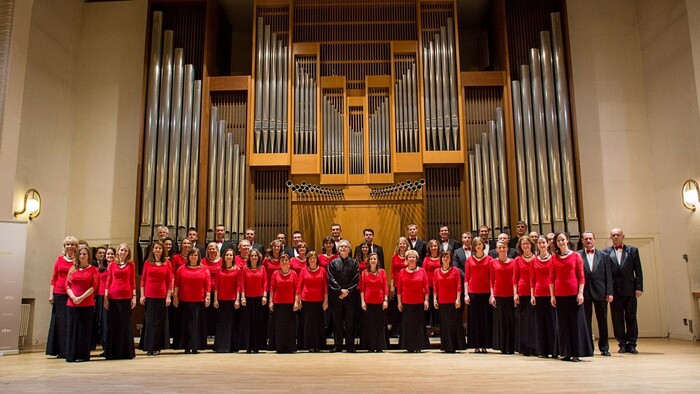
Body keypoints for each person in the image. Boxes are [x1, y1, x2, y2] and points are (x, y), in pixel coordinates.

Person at [550, 232, 593, 362]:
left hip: (574, 294)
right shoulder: (554, 258)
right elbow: (551, 278)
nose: (561, 242)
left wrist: (580, 293)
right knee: (563, 325)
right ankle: (566, 352)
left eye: (563, 240)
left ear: (567, 240)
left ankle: (576, 352)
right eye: (558, 240)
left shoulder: (576, 256)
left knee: (576, 324)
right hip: (560, 294)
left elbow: (581, 276)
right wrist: (552, 296)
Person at [605, 228, 643, 354]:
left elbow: (638, 271)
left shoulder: (633, 250)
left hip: (630, 290)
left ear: (623, 236)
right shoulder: (606, 253)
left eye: (618, 235)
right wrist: (608, 291)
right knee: (617, 318)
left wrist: (639, 287)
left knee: (631, 317)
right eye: (613, 235)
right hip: (614, 291)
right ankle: (622, 343)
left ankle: (632, 343)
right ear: (610, 237)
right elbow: (606, 275)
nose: (616, 237)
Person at [579, 231, 614, 356]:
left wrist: (610, 292)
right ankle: (589, 348)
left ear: (594, 240)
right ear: (582, 241)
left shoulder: (604, 255)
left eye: (590, 238)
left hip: (601, 292)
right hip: (585, 293)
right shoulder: (578, 255)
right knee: (586, 321)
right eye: (586, 239)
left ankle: (604, 348)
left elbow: (608, 275)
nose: (588, 241)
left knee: (602, 320)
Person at [173, 248, 210, 354]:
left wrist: (207, 297)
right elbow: (176, 285)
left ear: (199, 257)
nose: (193, 257)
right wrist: (175, 297)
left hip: (198, 300)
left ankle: (195, 346)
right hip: (184, 300)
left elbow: (207, 285)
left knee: (196, 325)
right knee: (185, 325)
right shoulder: (181, 269)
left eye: (195, 255)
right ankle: (186, 346)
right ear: (188, 256)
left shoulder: (204, 269)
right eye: (191, 255)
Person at [65, 245, 98, 362]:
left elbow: (94, 287)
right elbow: (67, 285)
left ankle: (82, 355)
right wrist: (74, 297)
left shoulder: (93, 269)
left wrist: (81, 297)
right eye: (80, 254)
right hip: (72, 304)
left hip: (87, 304)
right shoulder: (72, 269)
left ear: (88, 256)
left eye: (84, 254)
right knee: (72, 330)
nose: (82, 256)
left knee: (84, 331)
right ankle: (71, 355)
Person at [139, 240, 173, 356]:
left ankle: (157, 347)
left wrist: (168, 296)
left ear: (163, 250)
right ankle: (149, 346)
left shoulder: (167, 263)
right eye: (156, 248)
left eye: (160, 248)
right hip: (149, 295)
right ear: (152, 250)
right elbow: (143, 280)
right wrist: (142, 295)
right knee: (149, 322)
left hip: (162, 296)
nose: (158, 250)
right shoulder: (148, 262)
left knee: (159, 323)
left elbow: (170, 281)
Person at [47, 235, 79, 359]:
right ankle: (61, 350)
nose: (70, 246)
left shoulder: (78, 261)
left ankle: (70, 349)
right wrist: (51, 293)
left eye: (72, 244)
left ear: (76, 247)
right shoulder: (59, 260)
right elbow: (53, 278)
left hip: (73, 294)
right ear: (64, 246)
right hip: (59, 293)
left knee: (71, 321)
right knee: (60, 322)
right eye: (67, 244)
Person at [103, 243, 136, 360]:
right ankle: (112, 352)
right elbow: (108, 280)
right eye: (121, 250)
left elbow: (132, 280)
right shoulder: (112, 265)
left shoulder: (131, 264)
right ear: (118, 251)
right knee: (114, 325)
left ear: (128, 253)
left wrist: (134, 296)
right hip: (113, 296)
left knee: (125, 325)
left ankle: (125, 352)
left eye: (125, 251)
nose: (123, 252)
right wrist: (106, 297)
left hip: (126, 296)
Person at [327, 240, 359, 352]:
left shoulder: (354, 263)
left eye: (346, 247)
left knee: (350, 322)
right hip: (337, 297)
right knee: (337, 322)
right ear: (338, 249)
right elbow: (331, 279)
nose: (344, 248)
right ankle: (338, 345)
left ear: (349, 249)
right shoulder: (333, 263)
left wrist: (347, 292)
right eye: (341, 247)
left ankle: (350, 346)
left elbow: (356, 279)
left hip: (350, 298)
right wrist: (340, 291)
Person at [530, 236, 558, 358]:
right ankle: (543, 350)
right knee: (540, 324)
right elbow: (532, 279)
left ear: (548, 244)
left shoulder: (553, 259)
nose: (541, 245)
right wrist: (532, 295)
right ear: (537, 245)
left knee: (552, 323)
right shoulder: (533, 260)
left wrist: (554, 294)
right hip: (538, 293)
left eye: (543, 243)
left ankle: (554, 350)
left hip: (551, 294)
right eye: (539, 243)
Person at [396, 249, 429, 352]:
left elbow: (426, 287)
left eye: (413, 257)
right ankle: (409, 346)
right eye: (409, 257)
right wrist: (399, 302)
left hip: (419, 301)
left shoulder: (422, 271)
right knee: (408, 325)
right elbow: (399, 289)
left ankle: (418, 346)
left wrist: (426, 300)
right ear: (406, 259)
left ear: (416, 259)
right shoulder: (402, 272)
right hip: (406, 302)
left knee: (418, 325)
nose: (411, 259)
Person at [464, 237, 492, 353]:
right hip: (473, 292)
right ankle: (475, 345)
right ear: (474, 247)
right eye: (476, 244)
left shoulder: (490, 259)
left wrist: (492, 294)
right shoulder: (469, 260)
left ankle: (485, 345)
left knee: (485, 320)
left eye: (480, 244)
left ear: (483, 245)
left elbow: (491, 278)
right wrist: (466, 294)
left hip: (486, 293)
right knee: (474, 320)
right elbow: (466, 278)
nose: (478, 246)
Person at [296, 251, 328, 352]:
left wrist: (326, 301)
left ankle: (318, 345)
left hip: (319, 300)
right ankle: (309, 345)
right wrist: (298, 300)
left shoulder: (322, 270)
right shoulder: (303, 270)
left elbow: (325, 287)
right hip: (306, 300)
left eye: (314, 258)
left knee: (318, 324)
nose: (312, 260)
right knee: (308, 324)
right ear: (308, 260)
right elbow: (299, 286)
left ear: (317, 260)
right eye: (310, 258)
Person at [433, 250, 464, 353]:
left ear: (450, 259)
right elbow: (435, 287)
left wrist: (458, 299)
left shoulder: (455, 270)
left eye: (447, 257)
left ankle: (454, 346)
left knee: (453, 324)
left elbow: (459, 286)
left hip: (453, 301)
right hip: (442, 301)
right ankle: (445, 346)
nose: (445, 259)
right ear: (441, 259)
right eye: (443, 257)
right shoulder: (437, 271)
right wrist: (434, 299)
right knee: (444, 324)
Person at [213, 248, 242, 353]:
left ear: (233, 257)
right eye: (227, 255)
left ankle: (231, 346)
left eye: (230, 255)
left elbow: (239, 286)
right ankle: (220, 346)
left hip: (232, 300)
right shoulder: (219, 269)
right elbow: (216, 286)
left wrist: (237, 300)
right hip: (221, 299)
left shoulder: (237, 270)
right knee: (221, 323)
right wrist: (215, 300)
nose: (228, 257)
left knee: (231, 323)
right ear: (223, 257)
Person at [490, 241, 516, 354]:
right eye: (499, 247)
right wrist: (492, 295)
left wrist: (516, 294)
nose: (501, 249)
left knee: (510, 321)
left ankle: (511, 346)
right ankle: (502, 346)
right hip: (498, 294)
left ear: (507, 249)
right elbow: (491, 280)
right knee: (500, 321)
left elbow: (515, 279)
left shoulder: (514, 262)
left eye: (503, 247)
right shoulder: (492, 262)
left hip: (510, 294)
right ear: (496, 250)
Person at [269, 254, 299, 353]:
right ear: (280, 262)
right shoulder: (275, 274)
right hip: (278, 303)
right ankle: (280, 348)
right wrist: (271, 302)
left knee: (290, 326)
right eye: (282, 260)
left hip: (290, 303)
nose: (284, 261)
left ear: (289, 262)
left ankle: (290, 348)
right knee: (280, 326)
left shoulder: (294, 274)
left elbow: (297, 289)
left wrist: (296, 302)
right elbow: (272, 289)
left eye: (286, 260)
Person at [240, 249, 268, 353]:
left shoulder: (262, 268)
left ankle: (257, 346)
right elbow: (242, 284)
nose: (254, 257)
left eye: (255, 256)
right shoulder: (245, 269)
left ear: (258, 257)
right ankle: (248, 346)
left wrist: (265, 296)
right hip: (248, 298)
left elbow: (265, 283)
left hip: (259, 298)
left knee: (258, 323)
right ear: (249, 257)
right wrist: (242, 297)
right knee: (248, 323)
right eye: (252, 256)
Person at [360, 253, 388, 352]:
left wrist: (385, 300)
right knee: (370, 325)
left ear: (377, 261)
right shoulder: (364, 273)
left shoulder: (382, 272)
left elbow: (385, 287)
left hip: (380, 302)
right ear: (368, 261)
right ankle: (371, 346)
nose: (373, 260)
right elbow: (362, 289)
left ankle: (379, 346)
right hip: (368, 302)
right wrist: (362, 301)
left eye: (374, 259)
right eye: (371, 259)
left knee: (379, 325)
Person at [513, 236, 536, 356]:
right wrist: (515, 293)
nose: (526, 246)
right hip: (522, 292)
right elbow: (515, 278)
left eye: (527, 244)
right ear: (520, 247)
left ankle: (534, 346)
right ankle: (524, 346)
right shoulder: (517, 260)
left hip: (534, 293)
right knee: (523, 321)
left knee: (533, 321)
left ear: (531, 245)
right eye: (523, 244)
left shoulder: (536, 259)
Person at [169, 238, 191, 348]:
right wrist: (173, 291)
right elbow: (172, 274)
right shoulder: (175, 257)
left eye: (188, 243)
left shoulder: (194, 256)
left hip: (190, 290)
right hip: (179, 289)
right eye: (184, 243)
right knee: (180, 317)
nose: (186, 245)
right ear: (181, 245)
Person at [263, 240, 283, 350]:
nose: (276, 248)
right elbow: (263, 275)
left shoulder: (283, 258)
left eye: (278, 246)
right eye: (275, 246)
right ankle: (270, 340)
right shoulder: (266, 260)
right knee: (270, 316)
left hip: (281, 290)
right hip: (270, 290)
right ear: (272, 247)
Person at [94, 247, 114, 355]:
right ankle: (105, 347)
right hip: (101, 296)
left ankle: (111, 348)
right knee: (102, 323)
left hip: (112, 297)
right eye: (108, 254)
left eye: (112, 254)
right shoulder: (101, 268)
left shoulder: (117, 266)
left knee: (111, 324)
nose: (110, 256)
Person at [389, 237, 409, 337]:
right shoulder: (394, 257)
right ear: (398, 245)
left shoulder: (410, 256)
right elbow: (392, 272)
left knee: (407, 309)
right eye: (400, 243)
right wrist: (392, 286)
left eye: (404, 243)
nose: (402, 245)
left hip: (408, 286)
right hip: (397, 286)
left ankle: (405, 330)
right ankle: (396, 331)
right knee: (397, 309)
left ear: (407, 245)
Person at [202, 242, 222, 336]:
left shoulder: (222, 261)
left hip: (219, 290)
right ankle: (207, 333)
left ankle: (215, 333)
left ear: (217, 250)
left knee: (217, 313)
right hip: (206, 290)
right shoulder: (202, 261)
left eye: (213, 248)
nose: (212, 250)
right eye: (210, 248)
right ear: (207, 250)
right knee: (206, 313)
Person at [422, 240, 441, 336]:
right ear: (429, 248)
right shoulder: (426, 259)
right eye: (431, 246)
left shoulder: (441, 258)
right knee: (430, 309)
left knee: (439, 307)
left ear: (438, 247)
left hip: (440, 286)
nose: (433, 248)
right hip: (428, 286)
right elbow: (423, 273)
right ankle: (431, 328)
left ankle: (439, 328)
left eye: (435, 246)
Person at [89, 246, 106, 350]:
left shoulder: (107, 265)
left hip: (102, 295)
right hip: (92, 294)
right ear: (96, 255)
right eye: (100, 253)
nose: (102, 255)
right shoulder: (92, 264)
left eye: (104, 253)